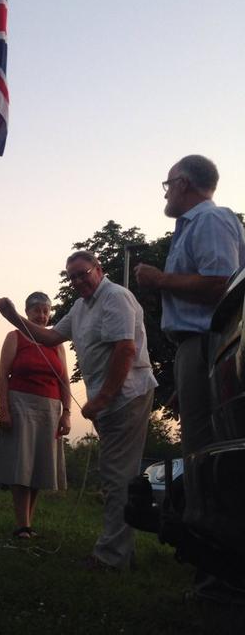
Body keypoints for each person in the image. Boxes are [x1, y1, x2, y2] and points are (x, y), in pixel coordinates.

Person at [0, 252, 157, 570]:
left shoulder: (115, 297)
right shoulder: (82, 307)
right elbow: (50, 336)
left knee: (117, 476)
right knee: (114, 474)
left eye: (83, 273)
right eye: (72, 277)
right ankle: (121, 550)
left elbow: (126, 349)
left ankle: (112, 557)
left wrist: (103, 398)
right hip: (108, 402)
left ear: (98, 270)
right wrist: (14, 316)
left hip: (126, 397)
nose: (78, 280)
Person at [134, 154, 245, 598]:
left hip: (204, 344)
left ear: (183, 183)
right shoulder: (196, 226)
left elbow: (223, 283)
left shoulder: (210, 221)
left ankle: (221, 573)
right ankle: (213, 566)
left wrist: (161, 279)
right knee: (201, 448)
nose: (164, 191)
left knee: (207, 453)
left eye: (167, 183)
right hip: (199, 349)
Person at [0, 291, 71, 539]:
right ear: (27, 312)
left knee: (39, 465)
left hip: (50, 407)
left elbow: (64, 380)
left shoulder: (56, 344)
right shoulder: (15, 336)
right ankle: (22, 524)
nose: (42, 315)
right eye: (37, 310)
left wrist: (66, 413)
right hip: (21, 403)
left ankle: (28, 523)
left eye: (46, 311)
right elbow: (3, 375)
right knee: (22, 463)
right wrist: (4, 409)